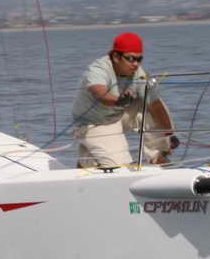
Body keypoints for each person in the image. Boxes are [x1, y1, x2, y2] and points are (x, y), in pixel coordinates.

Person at [71, 32, 179, 168]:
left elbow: (155, 105)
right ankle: (88, 161)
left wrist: (168, 134)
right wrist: (118, 100)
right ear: (116, 57)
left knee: (150, 100)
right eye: (131, 59)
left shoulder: (138, 72)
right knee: (121, 168)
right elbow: (99, 92)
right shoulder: (98, 69)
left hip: (119, 115)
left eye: (139, 59)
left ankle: (157, 156)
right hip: (95, 124)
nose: (135, 64)